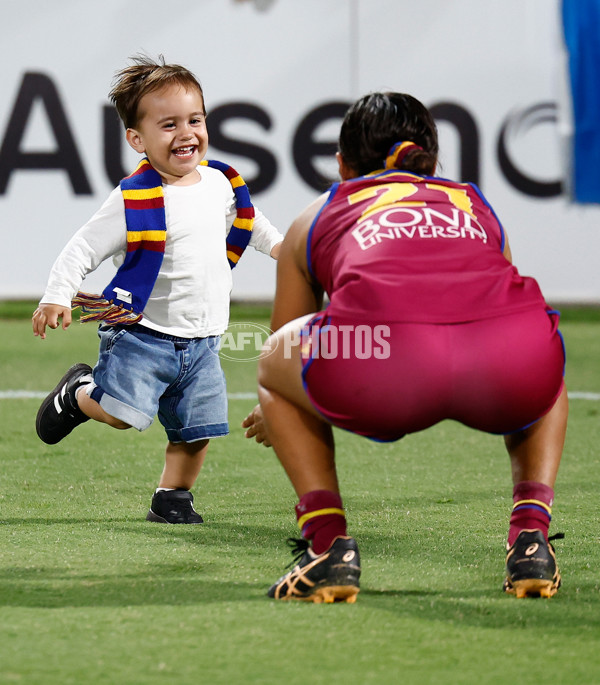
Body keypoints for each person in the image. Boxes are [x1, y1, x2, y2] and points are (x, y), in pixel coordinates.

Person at [242, 91, 568, 603]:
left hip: (383, 373)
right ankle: (531, 535)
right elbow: (499, 293)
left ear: (341, 164)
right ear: (431, 161)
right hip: (508, 372)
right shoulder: (473, 202)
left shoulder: (315, 216)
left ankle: (328, 547)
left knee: (270, 359)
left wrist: (277, 407)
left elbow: (292, 336)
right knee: (540, 349)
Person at [33, 55, 283, 524]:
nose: (186, 133)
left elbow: (256, 226)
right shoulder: (133, 197)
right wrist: (57, 294)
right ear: (137, 139)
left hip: (205, 339)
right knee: (122, 415)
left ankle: (172, 498)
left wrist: (288, 251)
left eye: (195, 119)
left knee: (196, 430)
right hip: (143, 333)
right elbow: (82, 247)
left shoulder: (221, 182)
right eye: (168, 125)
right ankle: (77, 393)